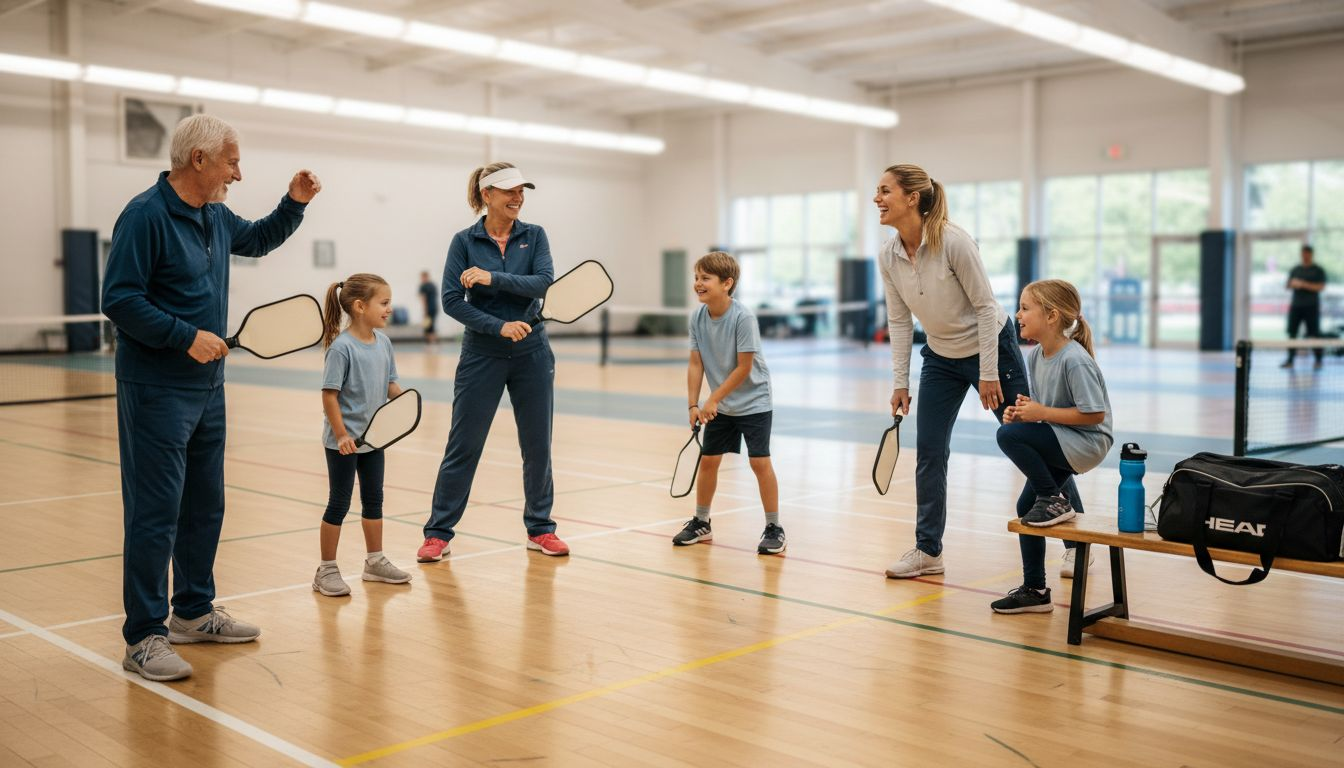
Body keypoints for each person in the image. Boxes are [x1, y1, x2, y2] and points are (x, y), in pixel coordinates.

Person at [102, 114, 320, 681]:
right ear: (198, 160)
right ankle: (144, 637)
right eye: (232, 161)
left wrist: (293, 203)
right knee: (155, 515)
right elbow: (119, 299)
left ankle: (193, 613)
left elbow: (259, 238)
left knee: (205, 507)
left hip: (208, 391)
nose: (238, 173)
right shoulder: (144, 216)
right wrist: (184, 336)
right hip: (155, 391)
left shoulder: (216, 215)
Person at [874, 162, 1084, 579]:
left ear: (912, 198)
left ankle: (1077, 543)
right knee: (930, 452)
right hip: (939, 357)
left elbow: (986, 308)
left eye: (885, 191)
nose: (876, 199)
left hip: (992, 350)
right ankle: (928, 550)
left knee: (1031, 441)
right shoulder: (888, 256)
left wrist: (988, 371)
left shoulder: (954, 242)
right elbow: (899, 321)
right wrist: (900, 381)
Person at [418, 162, 568, 562]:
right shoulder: (463, 241)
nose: (517, 198)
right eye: (509, 191)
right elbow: (452, 301)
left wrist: (492, 279)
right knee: (463, 445)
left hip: (532, 354)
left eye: (522, 191)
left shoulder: (534, 236)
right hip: (481, 354)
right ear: (487, 196)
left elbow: (543, 282)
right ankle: (438, 534)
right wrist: (498, 327)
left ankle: (541, 529)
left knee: (537, 446)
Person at [992, 280, 1113, 614]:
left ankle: (1056, 500)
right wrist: (1024, 412)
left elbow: (1095, 413)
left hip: (1089, 442)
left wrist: (1040, 413)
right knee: (1026, 507)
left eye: (1025, 308)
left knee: (1007, 438)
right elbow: (1048, 410)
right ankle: (1034, 589)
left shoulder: (1074, 359)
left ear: (1052, 316)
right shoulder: (1036, 357)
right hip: (1066, 438)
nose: (1018, 315)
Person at [672, 252, 785, 555]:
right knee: (708, 461)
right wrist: (693, 405)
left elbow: (744, 368)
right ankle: (701, 521)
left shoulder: (742, 318)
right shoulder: (697, 317)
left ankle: (774, 527)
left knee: (759, 463)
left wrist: (713, 399)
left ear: (727, 283)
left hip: (754, 402)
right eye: (696, 277)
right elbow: (695, 363)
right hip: (719, 404)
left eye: (705, 278)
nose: (697, 283)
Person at [313, 273, 413, 597]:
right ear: (359, 306)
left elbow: (390, 383)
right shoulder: (341, 349)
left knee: (374, 500)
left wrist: (408, 402)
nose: (389, 309)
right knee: (339, 503)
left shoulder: (384, 343)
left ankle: (375, 562)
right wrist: (342, 435)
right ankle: (326, 569)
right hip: (344, 444)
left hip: (374, 440)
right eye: (383, 303)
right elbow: (330, 395)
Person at [1281, 244, 1327, 370]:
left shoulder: (1318, 270)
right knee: (1292, 334)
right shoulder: (1295, 269)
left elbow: (1321, 287)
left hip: (1311, 307)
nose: (1305, 256)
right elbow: (1287, 285)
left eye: (1307, 254)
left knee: (1314, 334)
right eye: (1303, 254)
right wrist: (1293, 284)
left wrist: (1303, 284)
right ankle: (1290, 360)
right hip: (1296, 306)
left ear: (1311, 255)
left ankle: (1318, 360)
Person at [419, 270, 439, 346]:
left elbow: (423, 299)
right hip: (434, 308)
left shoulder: (423, 286)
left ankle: (430, 342)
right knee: (431, 325)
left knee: (428, 326)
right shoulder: (433, 285)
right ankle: (432, 342)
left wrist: (425, 311)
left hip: (429, 309)